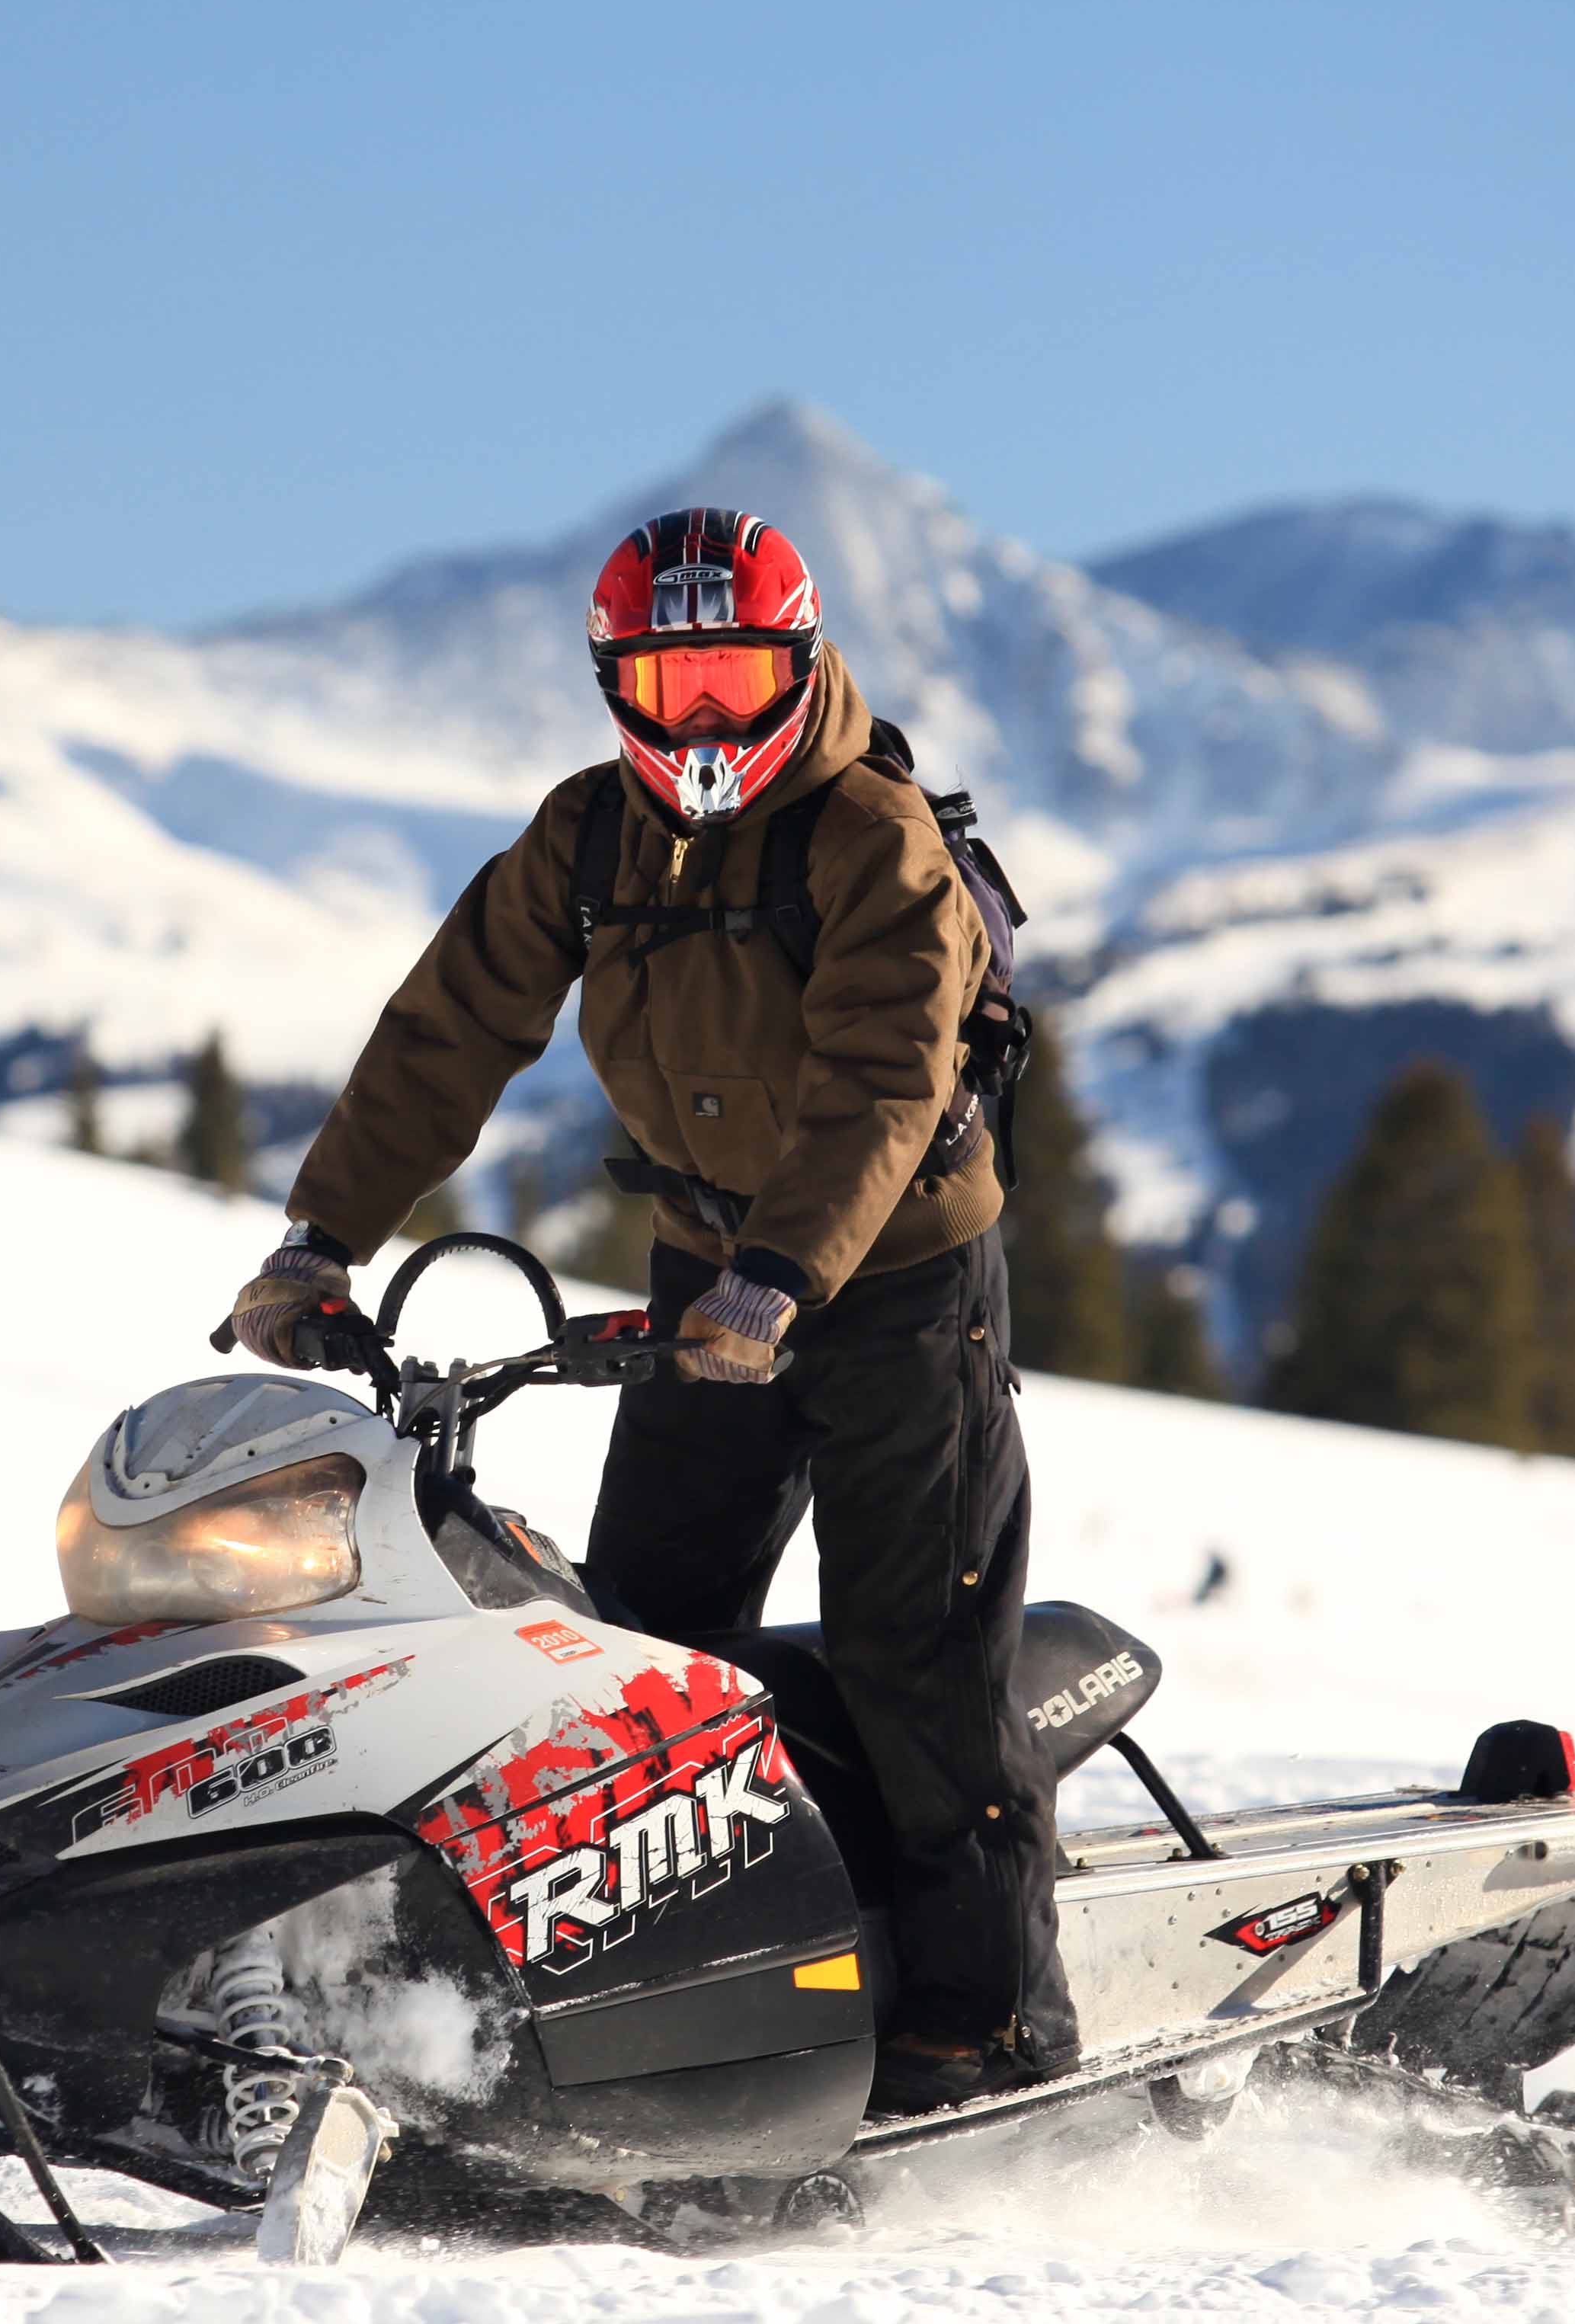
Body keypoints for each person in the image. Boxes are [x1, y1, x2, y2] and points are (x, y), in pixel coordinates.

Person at [220, 507, 1071, 2115]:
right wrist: (322, 1237)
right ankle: (669, 2010)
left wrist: (784, 1276)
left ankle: (987, 2035)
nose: (702, 721)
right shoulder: (589, 839)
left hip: (890, 1285)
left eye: (734, 679)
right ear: (618, 683)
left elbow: (889, 1084)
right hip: (710, 1278)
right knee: (638, 1656)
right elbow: (448, 1029)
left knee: (918, 1656)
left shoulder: (868, 835)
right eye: (669, 685)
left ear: (798, 665)